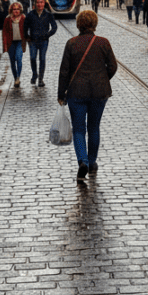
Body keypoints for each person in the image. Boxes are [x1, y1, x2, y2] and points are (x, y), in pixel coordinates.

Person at [57, 10, 118, 180]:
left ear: (79, 24)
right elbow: (112, 66)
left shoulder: (71, 43)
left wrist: (61, 93)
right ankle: (91, 162)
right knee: (94, 127)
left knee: (78, 128)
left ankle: (82, 160)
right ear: (95, 24)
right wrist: (102, 79)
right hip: (99, 92)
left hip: (76, 92)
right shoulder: (103, 42)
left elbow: (64, 71)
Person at [25, 0, 58, 86]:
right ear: (35, 4)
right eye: (38, 2)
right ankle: (35, 74)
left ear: (44, 4)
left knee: (42, 59)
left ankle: (40, 79)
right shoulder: (30, 14)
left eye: (41, 2)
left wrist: (48, 34)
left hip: (44, 40)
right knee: (32, 58)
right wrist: (27, 36)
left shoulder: (48, 14)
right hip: (33, 40)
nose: (40, 4)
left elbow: (54, 27)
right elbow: (25, 27)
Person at [2, 1, 27, 87]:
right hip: (10, 42)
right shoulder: (8, 19)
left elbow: (27, 29)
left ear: (20, 10)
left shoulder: (23, 18)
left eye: (17, 9)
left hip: (20, 42)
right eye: (14, 9)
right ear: (11, 10)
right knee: (12, 61)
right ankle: (15, 77)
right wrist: (4, 45)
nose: (16, 11)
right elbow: (4, 32)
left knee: (18, 59)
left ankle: (18, 77)